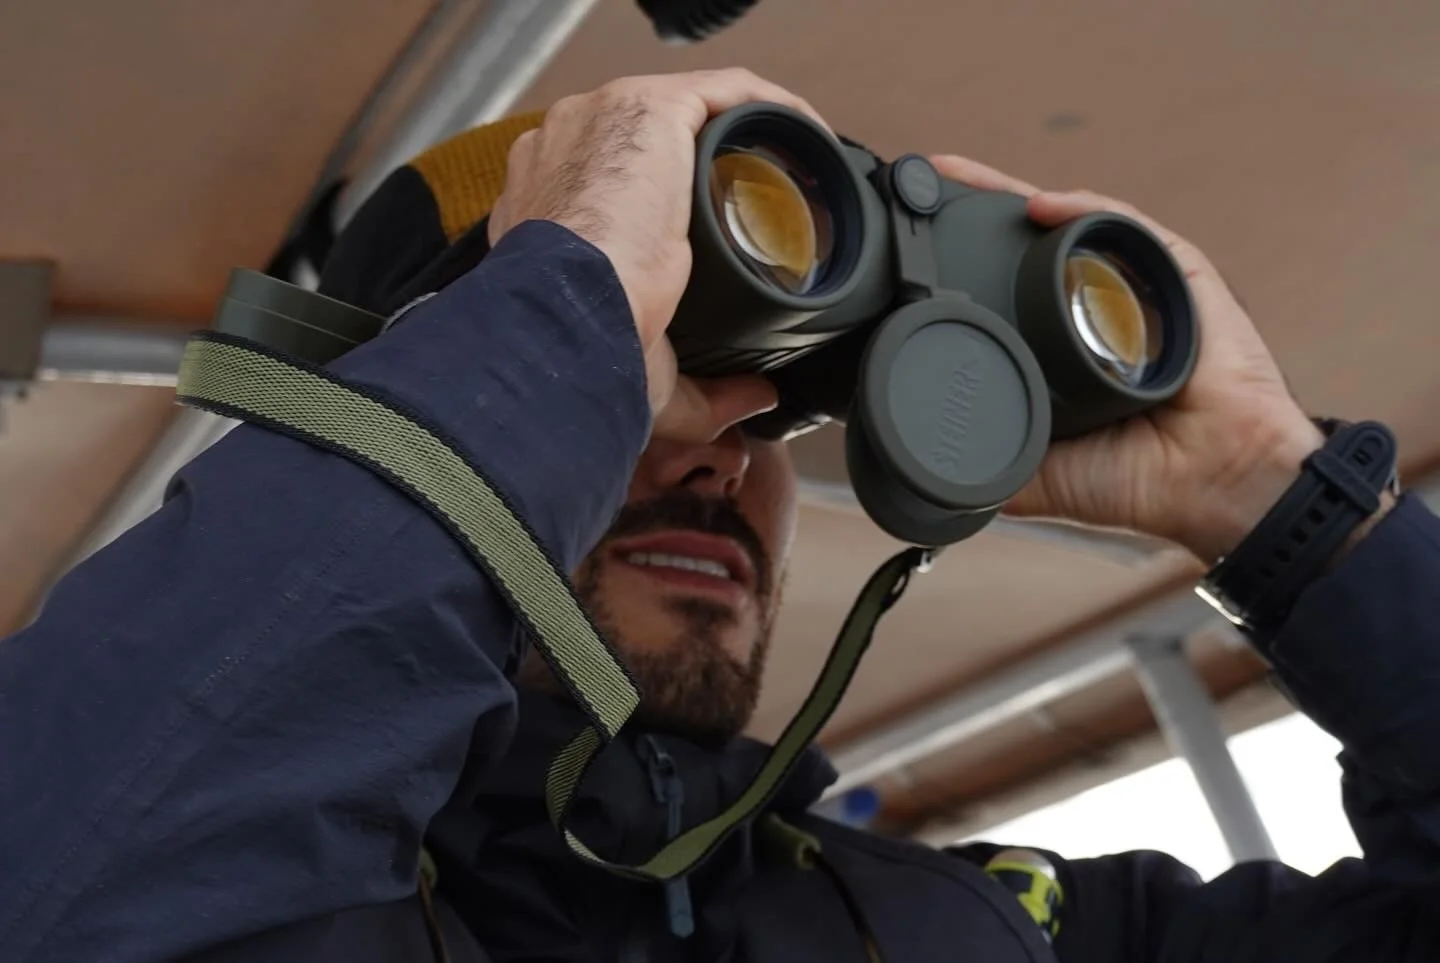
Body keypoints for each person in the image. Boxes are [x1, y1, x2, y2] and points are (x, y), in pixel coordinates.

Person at [0, 68, 1435, 963]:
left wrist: (1286, 508)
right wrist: (564, 314)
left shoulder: (1007, 930)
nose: (710, 462)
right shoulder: (275, 878)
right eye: (644, 390)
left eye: (776, 415)